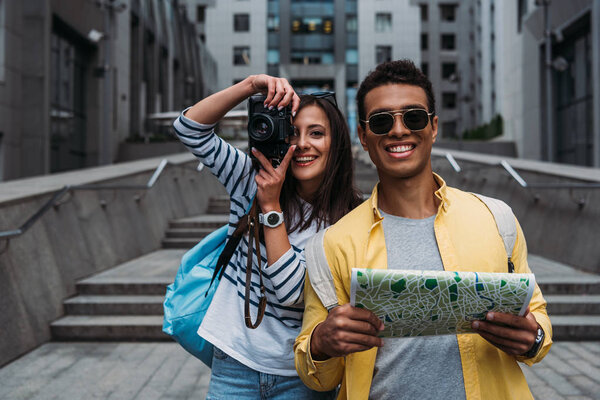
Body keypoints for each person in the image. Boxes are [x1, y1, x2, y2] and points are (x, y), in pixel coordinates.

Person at [294, 60, 552, 400]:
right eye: (382, 121)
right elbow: (318, 376)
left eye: (413, 117)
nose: (398, 130)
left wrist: (532, 339)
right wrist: (321, 343)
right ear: (363, 135)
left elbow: (537, 318)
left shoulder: (496, 218)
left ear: (433, 127)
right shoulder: (330, 245)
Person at [173, 74, 362, 399]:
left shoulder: (350, 218)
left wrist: (271, 207)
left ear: (337, 143)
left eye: (316, 133)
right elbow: (189, 129)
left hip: (303, 375)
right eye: (293, 132)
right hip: (234, 363)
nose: (302, 144)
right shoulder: (250, 178)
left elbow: (292, 294)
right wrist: (251, 86)